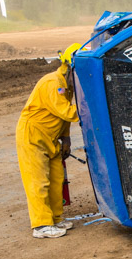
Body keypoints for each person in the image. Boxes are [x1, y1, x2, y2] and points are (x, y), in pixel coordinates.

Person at [17, 43, 83, 238]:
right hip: (33, 136)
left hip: (51, 137)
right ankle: (41, 225)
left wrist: (66, 139)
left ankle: (55, 218)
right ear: (69, 68)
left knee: (56, 179)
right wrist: (92, 108)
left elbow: (63, 118)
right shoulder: (53, 83)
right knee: (38, 181)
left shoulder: (67, 87)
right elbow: (67, 112)